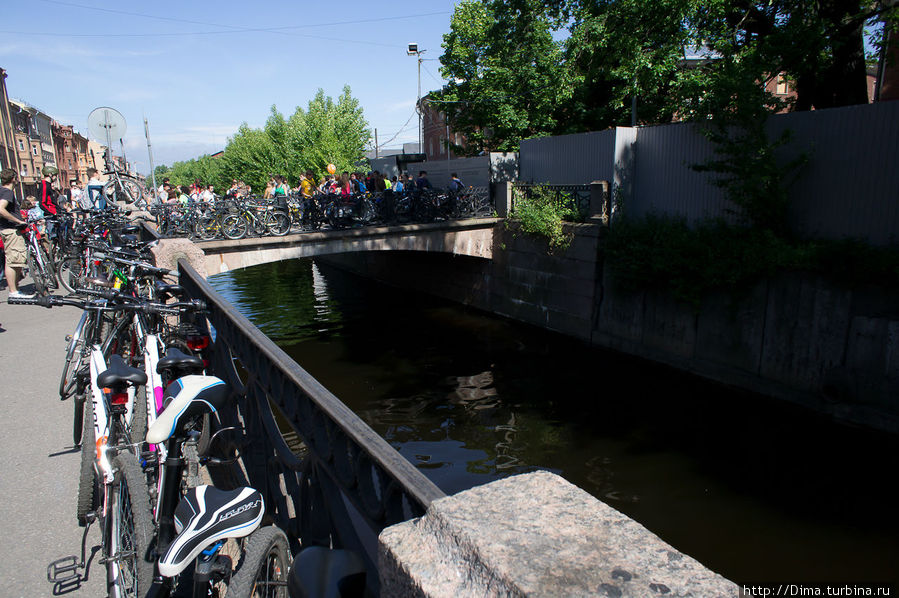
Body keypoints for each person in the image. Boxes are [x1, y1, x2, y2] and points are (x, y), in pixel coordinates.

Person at [0, 168, 32, 298]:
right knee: (13, 261)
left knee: (15, 260)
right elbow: (1, 209)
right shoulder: (7, 192)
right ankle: (13, 291)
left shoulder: (2, 190)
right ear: (13, 178)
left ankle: (16, 289)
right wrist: (17, 220)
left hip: (6, 229)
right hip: (11, 229)